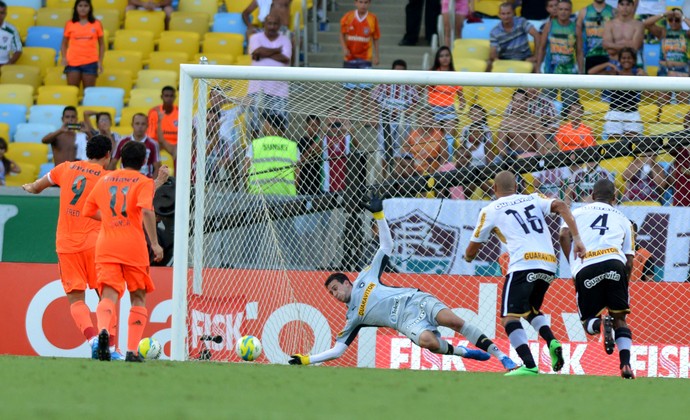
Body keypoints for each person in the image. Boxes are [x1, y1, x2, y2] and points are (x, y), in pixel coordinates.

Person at [288, 192, 518, 371]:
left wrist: (379, 216)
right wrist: (307, 359)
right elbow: (338, 351)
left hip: (415, 299)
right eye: (331, 293)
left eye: (335, 288)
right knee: (428, 341)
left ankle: (502, 357)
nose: (335, 295)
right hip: (407, 323)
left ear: (347, 282)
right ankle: (462, 352)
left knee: (455, 322)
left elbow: (386, 246)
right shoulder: (353, 317)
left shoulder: (365, 276)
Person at [464, 170, 587, 376]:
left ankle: (529, 365)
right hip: (548, 264)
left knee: (508, 318)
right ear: (517, 187)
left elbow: (471, 249)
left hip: (523, 264)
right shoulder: (534, 197)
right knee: (529, 309)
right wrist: (578, 239)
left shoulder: (490, 209)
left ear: (494, 189)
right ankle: (552, 341)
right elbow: (563, 206)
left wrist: (468, 258)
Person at [21, 136, 117, 359]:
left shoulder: (66, 168)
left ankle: (93, 340)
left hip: (66, 244)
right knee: (106, 295)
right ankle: (111, 347)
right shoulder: (107, 178)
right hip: (95, 244)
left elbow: (37, 186)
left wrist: (30, 186)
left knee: (76, 299)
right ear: (107, 155)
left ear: (87, 153)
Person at [84, 141, 164, 362]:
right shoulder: (143, 181)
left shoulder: (105, 179)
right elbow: (147, 212)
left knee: (108, 294)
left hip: (106, 245)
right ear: (144, 161)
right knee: (138, 296)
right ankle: (132, 351)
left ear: (120, 158)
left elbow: (88, 210)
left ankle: (103, 331)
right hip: (133, 247)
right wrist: (155, 244)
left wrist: (111, 219)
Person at [558, 178, 636, 379]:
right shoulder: (624, 220)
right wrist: (622, 282)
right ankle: (626, 364)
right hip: (614, 264)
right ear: (614, 198)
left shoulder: (576, 213)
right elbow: (629, 261)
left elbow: (562, 236)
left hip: (587, 265)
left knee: (587, 322)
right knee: (620, 318)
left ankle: (600, 326)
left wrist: (574, 267)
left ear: (592, 196)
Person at [371, 59, 419, 180]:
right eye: (396, 71)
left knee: (399, 150)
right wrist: (374, 116)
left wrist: (402, 113)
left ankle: (395, 176)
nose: (398, 74)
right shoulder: (384, 84)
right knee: (383, 149)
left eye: (401, 71)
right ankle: (383, 176)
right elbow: (373, 100)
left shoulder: (409, 86)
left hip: (402, 122)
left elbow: (415, 104)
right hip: (385, 121)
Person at [247, 13, 291, 138]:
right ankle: (253, 152)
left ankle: (278, 154)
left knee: (280, 124)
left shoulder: (285, 40)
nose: (272, 26)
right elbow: (256, 53)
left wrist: (263, 51)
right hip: (257, 88)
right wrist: (277, 50)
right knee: (254, 124)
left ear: (279, 25)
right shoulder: (255, 38)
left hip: (280, 90)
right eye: (269, 23)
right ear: (264, 24)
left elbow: (285, 59)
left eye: (275, 24)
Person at [340, 0, 380, 119]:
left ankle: (365, 116)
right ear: (355, 3)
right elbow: (341, 33)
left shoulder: (372, 18)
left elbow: (376, 38)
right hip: (350, 58)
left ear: (370, 4)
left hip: (365, 58)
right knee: (349, 91)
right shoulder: (348, 17)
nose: (363, 5)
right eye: (361, 2)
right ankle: (348, 117)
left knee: (365, 90)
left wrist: (377, 55)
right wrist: (344, 48)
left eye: (366, 2)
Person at [593, 48, 645, 139]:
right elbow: (591, 72)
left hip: (632, 113)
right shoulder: (614, 74)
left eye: (629, 58)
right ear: (619, 60)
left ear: (634, 60)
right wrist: (608, 64)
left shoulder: (638, 75)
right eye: (623, 58)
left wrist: (645, 75)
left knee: (633, 144)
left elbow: (651, 93)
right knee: (614, 145)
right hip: (615, 112)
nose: (626, 60)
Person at [537, 0, 580, 109]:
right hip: (550, 70)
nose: (563, 12)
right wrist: (538, 68)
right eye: (561, 9)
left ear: (571, 11)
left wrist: (581, 71)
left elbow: (580, 51)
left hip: (569, 71)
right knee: (545, 106)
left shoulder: (576, 28)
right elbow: (541, 48)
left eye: (566, 9)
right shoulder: (549, 26)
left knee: (570, 106)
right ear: (557, 10)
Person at [245, 111, 299, 196]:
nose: (263, 125)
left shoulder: (255, 145)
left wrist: (248, 188)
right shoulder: (292, 146)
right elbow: (297, 174)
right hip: (285, 196)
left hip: (258, 195)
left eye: (265, 122)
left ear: (270, 125)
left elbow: (246, 169)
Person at [644, 8, 690, 105]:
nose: (673, 22)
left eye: (677, 20)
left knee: (683, 104)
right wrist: (664, 14)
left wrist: (682, 17)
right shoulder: (663, 32)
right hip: (665, 69)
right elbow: (646, 24)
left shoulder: (686, 33)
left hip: (682, 70)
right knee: (662, 103)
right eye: (670, 19)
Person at [428, 46, 464, 158]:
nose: (444, 58)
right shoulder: (431, 73)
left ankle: (448, 161)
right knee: (437, 137)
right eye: (441, 56)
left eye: (447, 55)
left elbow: (462, 98)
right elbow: (419, 88)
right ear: (437, 58)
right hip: (433, 109)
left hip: (449, 109)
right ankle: (437, 160)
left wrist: (462, 106)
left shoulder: (455, 75)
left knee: (449, 135)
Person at [61, 0, 105, 89]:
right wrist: (64, 57)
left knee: (89, 92)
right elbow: (64, 43)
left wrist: (100, 61)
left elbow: (102, 44)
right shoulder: (69, 24)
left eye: (86, 6)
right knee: (72, 91)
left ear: (90, 8)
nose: (83, 8)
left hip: (90, 62)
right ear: (76, 8)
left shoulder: (96, 24)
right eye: (80, 6)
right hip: (72, 63)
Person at [496, 89, 547, 162]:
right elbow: (500, 145)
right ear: (512, 103)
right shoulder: (506, 122)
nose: (518, 104)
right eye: (516, 101)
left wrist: (540, 157)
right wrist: (507, 157)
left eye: (522, 101)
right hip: (512, 155)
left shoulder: (534, 120)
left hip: (530, 155)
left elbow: (542, 142)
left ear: (527, 103)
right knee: (496, 161)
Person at [488, 3, 540, 71]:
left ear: (513, 13)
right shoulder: (494, 32)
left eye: (508, 13)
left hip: (525, 58)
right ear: (499, 15)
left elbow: (537, 36)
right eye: (503, 14)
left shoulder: (521, 22)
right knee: (489, 64)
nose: (506, 16)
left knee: (536, 66)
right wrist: (495, 57)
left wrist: (535, 56)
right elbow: (493, 52)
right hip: (505, 59)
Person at [109, 113, 161, 179]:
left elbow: (157, 168)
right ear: (132, 125)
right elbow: (113, 163)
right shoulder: (122, 142)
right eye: (137, 123)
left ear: (147, 125)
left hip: (144, 180)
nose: (140, 126)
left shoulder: (153, 144)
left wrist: (152, 185)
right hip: (124, 179)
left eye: (143, 124)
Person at [576, 0, 615, 74]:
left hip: (608, 55)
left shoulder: (613, 11)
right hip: (589, 55)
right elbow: (577, 34)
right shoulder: (584, 11)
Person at [147, 86, 179, 159]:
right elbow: (150, 135)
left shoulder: (180, 112)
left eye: (171, 96)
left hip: (176, 144)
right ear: (162, 97)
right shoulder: (154, 112)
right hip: (159, 144)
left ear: (174, 97)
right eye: (166, 96)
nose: (169, 98)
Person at [297, 115, 323, 196]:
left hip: (317, 182)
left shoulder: (321, 141)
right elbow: (308, 153)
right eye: (312, 125)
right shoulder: (303, 141)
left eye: (317, 126)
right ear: (306, 127)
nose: (315, 128)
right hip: (305, 182)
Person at [0, 1, 22, 67]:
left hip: (3, 64)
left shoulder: (11, 30)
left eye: (2, 13)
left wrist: (8, 64)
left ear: (5, 14)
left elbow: (18, 50)